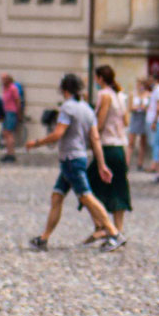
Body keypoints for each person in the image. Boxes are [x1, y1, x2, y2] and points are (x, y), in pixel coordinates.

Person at [25, 75, 124, 251]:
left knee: (86, 196)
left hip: (70, 160)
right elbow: (94, 138)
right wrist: (101, 164)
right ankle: (44, 238)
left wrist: (36, 143)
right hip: (76, 159)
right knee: (57, 197)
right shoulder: (87, 109)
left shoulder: (67, 108)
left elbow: (57, 134)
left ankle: (114, 233)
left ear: (65, 90)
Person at [88, 65, 132, 238]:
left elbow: (100, 122)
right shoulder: (120, 95)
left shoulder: (104, 94)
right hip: (120, 146)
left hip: (107, 146)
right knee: (119, 188)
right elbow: (126, 121)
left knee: (89, 187)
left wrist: (91, 135)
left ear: (100, 78)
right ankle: (118, 229)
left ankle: (101, 226)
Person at [128, 78, 153, 172]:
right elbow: (130, 107)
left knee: (143, 143)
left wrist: (145, 108)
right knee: (131, 142)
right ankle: (127, 162)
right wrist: (138, 107)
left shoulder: (149, 95)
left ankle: (140, 163)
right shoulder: (132, 94)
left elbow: (150, 108)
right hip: (135, 118)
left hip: (144, 119)